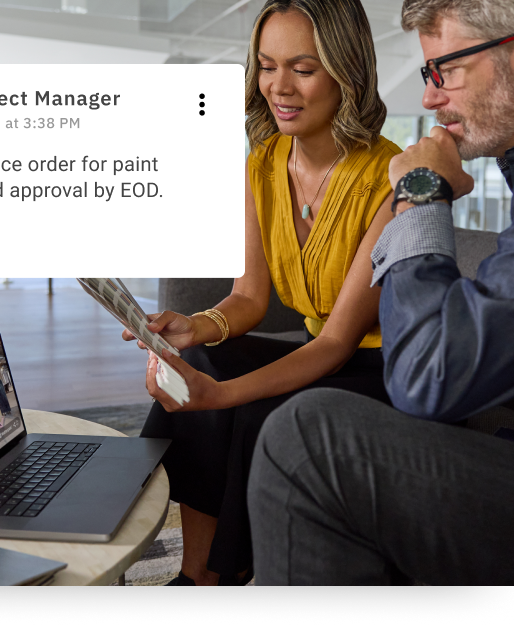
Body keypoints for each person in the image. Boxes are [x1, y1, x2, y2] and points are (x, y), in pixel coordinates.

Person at [247, 0, 514, 585]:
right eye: (429, 76)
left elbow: (428, 377)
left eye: (444, 71)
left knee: (307, 439)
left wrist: (421, 193)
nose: (429, 99)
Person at [126, 0, 402, 586]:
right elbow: (250, 298)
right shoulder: (263, 161)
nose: (279, 86)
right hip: (322, 350)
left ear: (346, 71)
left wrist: (217, 397)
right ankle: (194, 573)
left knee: (250, 408)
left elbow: (334, 343)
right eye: (266, 65)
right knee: (199, 358)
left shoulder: (390, 178)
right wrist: (192, 327)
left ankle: (232, 574)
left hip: (380, 370)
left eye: (303, 68)